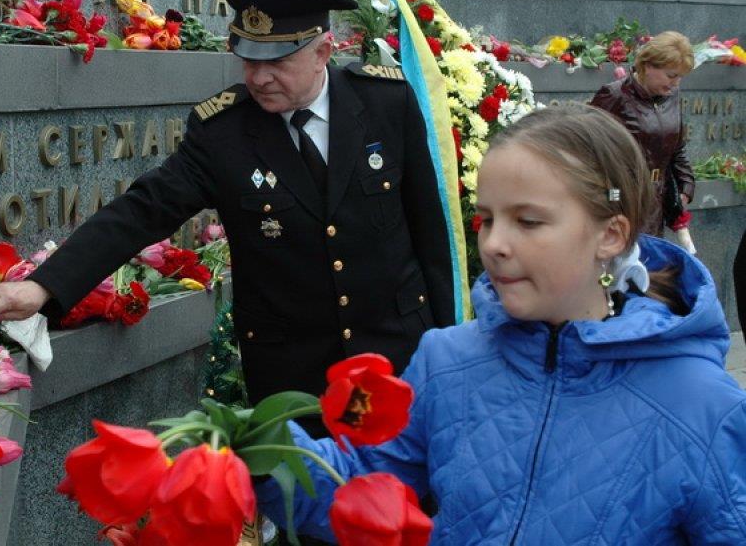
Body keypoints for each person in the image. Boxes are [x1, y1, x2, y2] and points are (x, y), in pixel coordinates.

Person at [0, 0, 456, 423]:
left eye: (277, 62)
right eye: (249, 60)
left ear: (323, 52)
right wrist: (45, 286)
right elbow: (145, 208)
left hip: (396, 358)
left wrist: (449, 351)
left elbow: (430, 238)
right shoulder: (224, 132)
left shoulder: (386, 104)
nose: (259, 78)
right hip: (295, 383)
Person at [258, 105, 746, 544]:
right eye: (486, 220)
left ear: (610, 235)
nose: (493, 244)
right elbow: (361, 483)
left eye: (528, 221)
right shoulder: (446, 360)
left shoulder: (701, 404)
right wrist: (260, 452)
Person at [590, 30, 696, 236]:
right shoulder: (614, 95)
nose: (676, 83)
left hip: (655, 202)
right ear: (648, 66)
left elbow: (677, 147)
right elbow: (590, 151)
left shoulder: (672, 96)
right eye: (671, 75)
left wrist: (686, 187)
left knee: (649, 255)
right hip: (621, 202)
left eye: (680, 77)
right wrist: (611, 200)